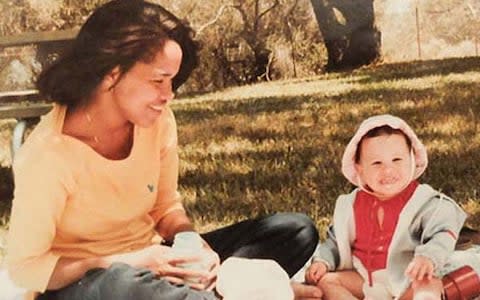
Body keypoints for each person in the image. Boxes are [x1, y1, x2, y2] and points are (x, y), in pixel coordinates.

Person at [5, 1, 320, 299]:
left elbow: (166, 207)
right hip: (89, 284)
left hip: (159, 265)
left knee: (295, 231)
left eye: (172, 81)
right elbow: (25, 269)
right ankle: (249, 290)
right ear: (110, 73)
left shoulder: (156, 121)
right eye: (158, 80)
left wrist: (192, 242)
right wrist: (124, 261)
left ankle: (214, 291)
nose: (168, 95)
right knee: (123, 285)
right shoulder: (48, 154)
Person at [304, 114, 467, 300]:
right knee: (327, 282)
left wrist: (428, 258)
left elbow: (443, 234)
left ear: (412, 160)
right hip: (364, 278)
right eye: (376, 163)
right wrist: (323, 261)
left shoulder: (425, 202)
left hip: (409, 278)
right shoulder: (350, 205)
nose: (388, 171)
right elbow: (335, 241)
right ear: (360, 169)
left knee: (428, 286)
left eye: (397, 160)